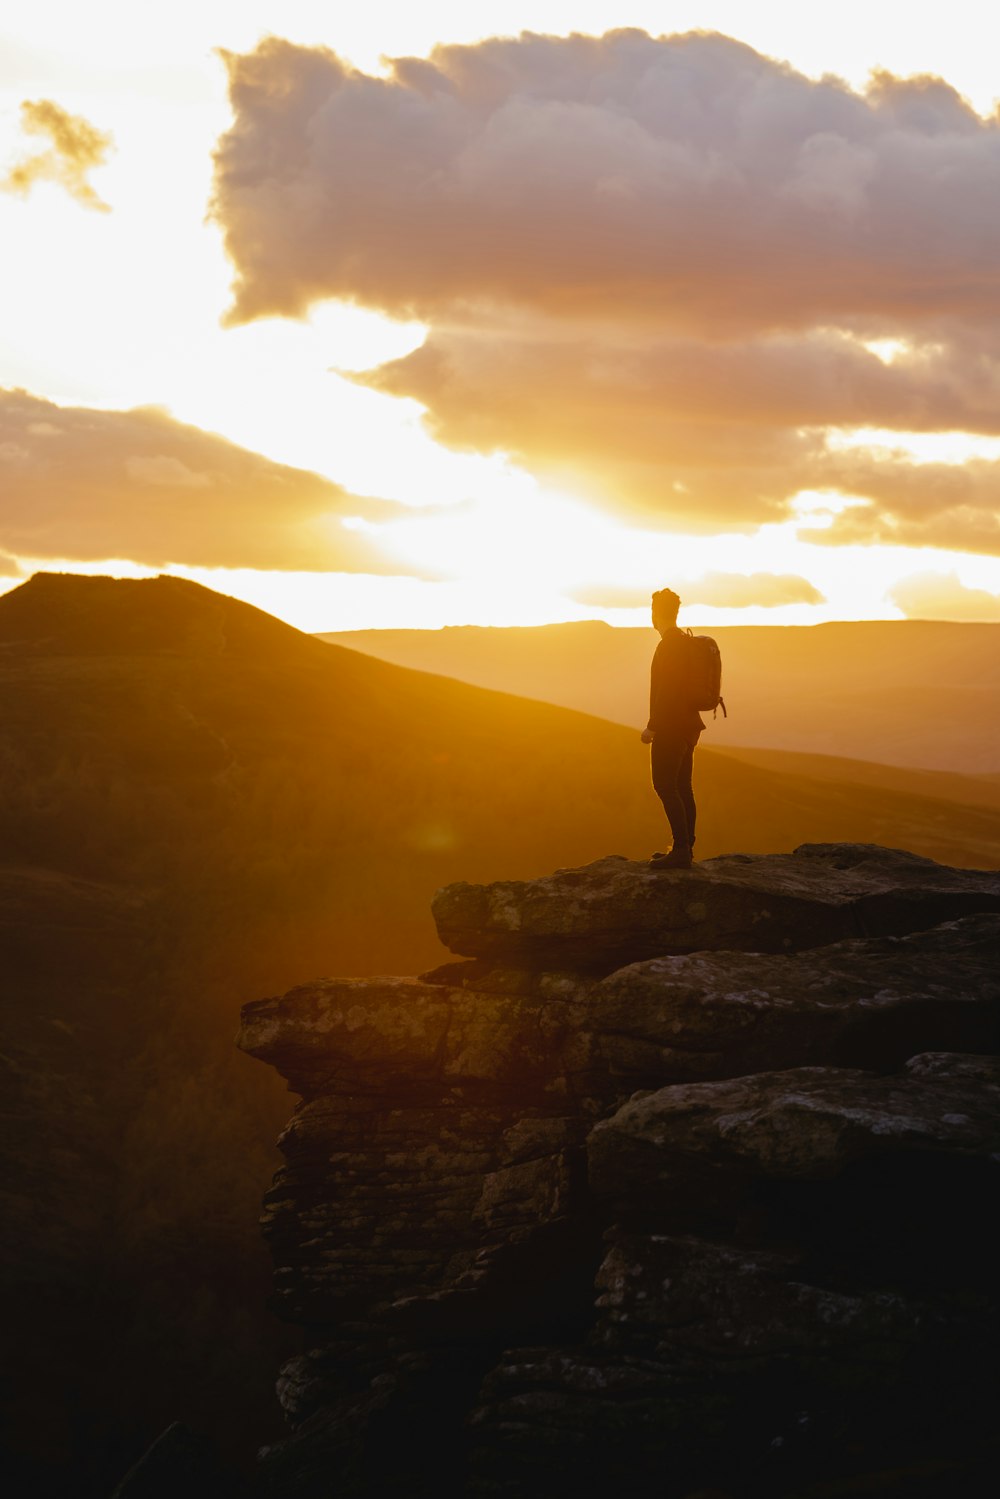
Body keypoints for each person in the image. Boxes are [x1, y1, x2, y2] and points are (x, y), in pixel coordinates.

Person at [641, 588, 704, 869]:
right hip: (689, 725)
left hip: (671, 726)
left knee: (665, 786)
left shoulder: (669, 645)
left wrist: (652, 727)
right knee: (682, 786)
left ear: (656, 614)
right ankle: (685, 847)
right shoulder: (685, 641)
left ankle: (680, 850)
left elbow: (666, 690)